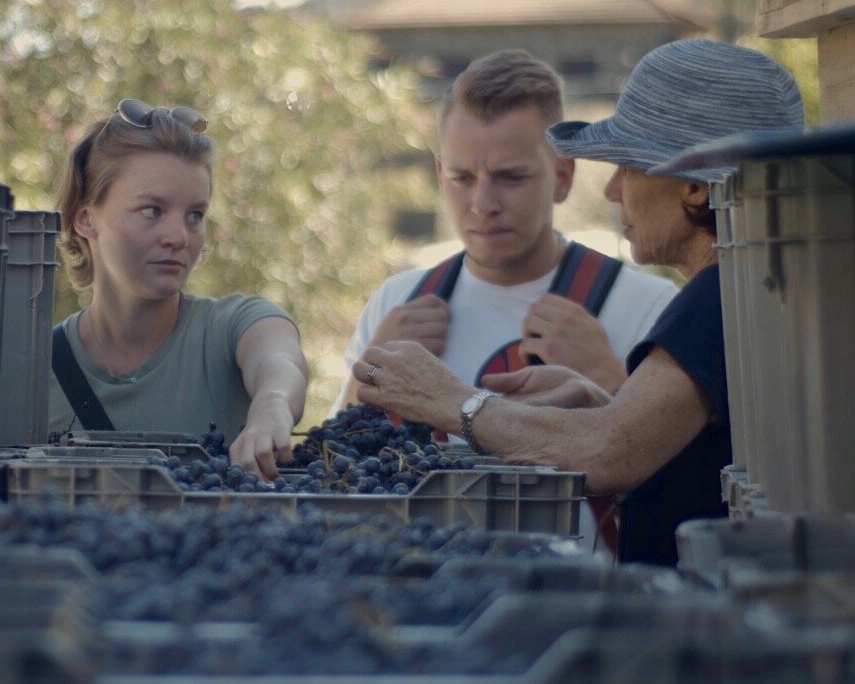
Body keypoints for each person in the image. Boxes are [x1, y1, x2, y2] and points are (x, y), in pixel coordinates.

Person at [353, 39, 805, 565]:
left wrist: (453, 401)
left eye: (628, 168)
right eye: (460, 177)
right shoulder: (751, 286)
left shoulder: (715, 297)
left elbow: (611, 453)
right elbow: (667, 446)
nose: (613, 190)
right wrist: (596, 402)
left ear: (696, 190)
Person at [333, 50, 677, 415]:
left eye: (510, 177)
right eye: (461, 178)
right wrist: (364, 385)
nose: (483, 203)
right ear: (439, 173)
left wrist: (609, 381)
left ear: (562, 177)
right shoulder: (395, 303)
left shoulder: (649, 309)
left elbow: (699, 470)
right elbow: (327, 461)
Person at [48, 99, 309, 480]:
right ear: (86, 219)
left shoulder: (233, 326)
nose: (178, 237)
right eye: (152, 210)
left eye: (195, 216)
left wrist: (272, 404)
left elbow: (279, 361)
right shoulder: (36, 371)